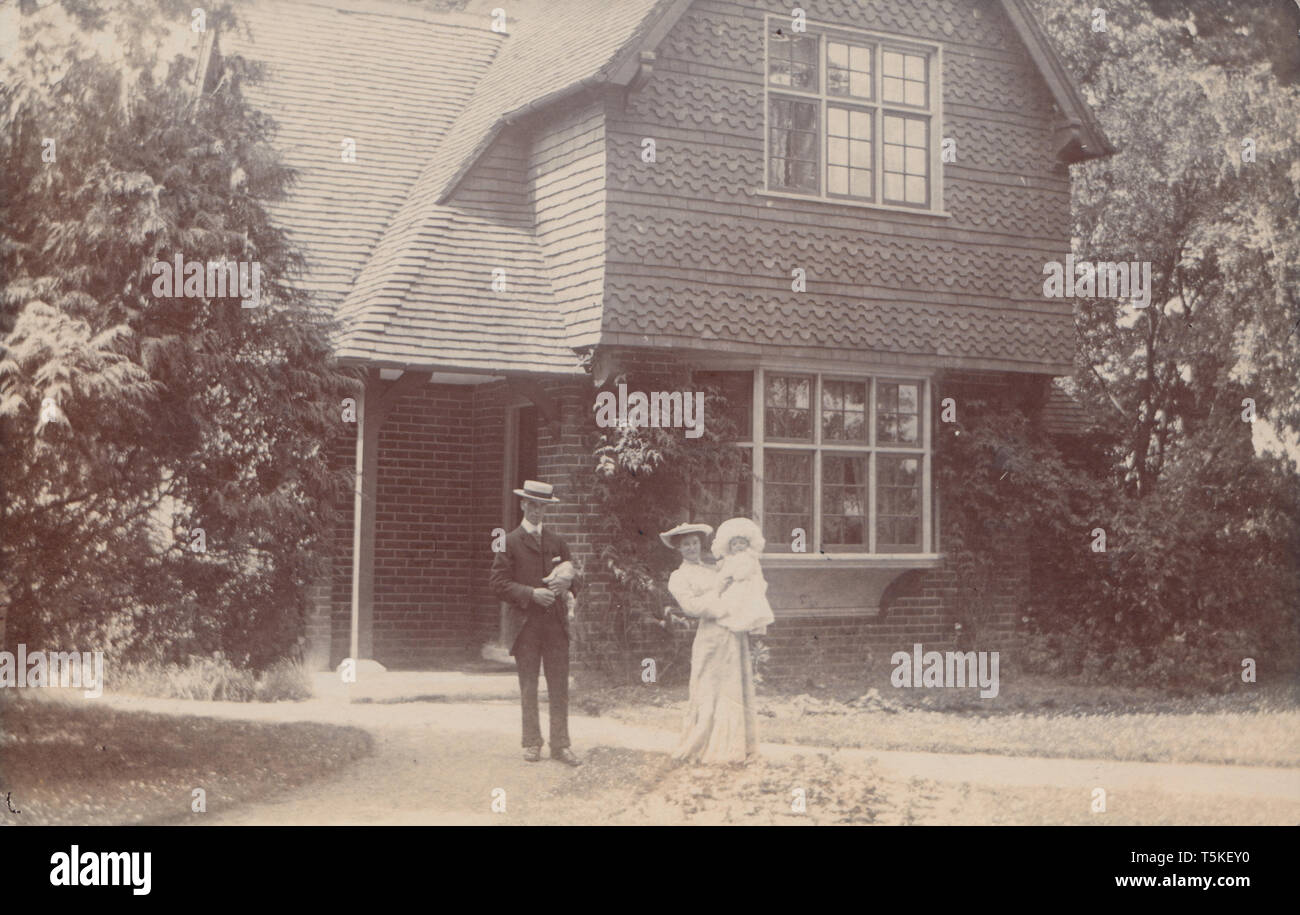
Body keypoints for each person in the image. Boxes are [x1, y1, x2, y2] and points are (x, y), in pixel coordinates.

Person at [489, 480, 583, 766]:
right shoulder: (508, 541)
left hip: (555, 624)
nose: (537, 511)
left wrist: (569, 583)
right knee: (529, 685)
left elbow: (575, 581)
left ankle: (561, 745)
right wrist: (531, 594)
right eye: (532, 505)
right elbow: (498, 583)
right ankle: (531, 743)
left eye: (542, 506)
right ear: (523, 504)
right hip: (526, 625)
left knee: (559, 686)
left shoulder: (557, 542)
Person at [660, 521, 760, 765]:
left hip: (732, 632)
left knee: (733, 687)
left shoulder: (714, 568)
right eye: (686, 545)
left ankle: (736, 746)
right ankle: (704, 743)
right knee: (707, 687)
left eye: (694, 543)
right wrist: (720, 595)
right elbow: (692, 608)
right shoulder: (679, 577)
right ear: (678, 549)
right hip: (711, 635)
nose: (692, 548)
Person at [710, 516, 775, 636]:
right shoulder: (730, 559)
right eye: (734, 544)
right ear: (729, 547)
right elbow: (724, 574)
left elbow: (747, 572)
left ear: (747, 544)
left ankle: (753, 626)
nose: (738, 546)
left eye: (741, 543)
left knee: (749, 606)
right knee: (733, 605)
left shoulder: (749, 557)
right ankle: (736, 624)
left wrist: (736, 575)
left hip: (748, 585)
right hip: (735, 586)